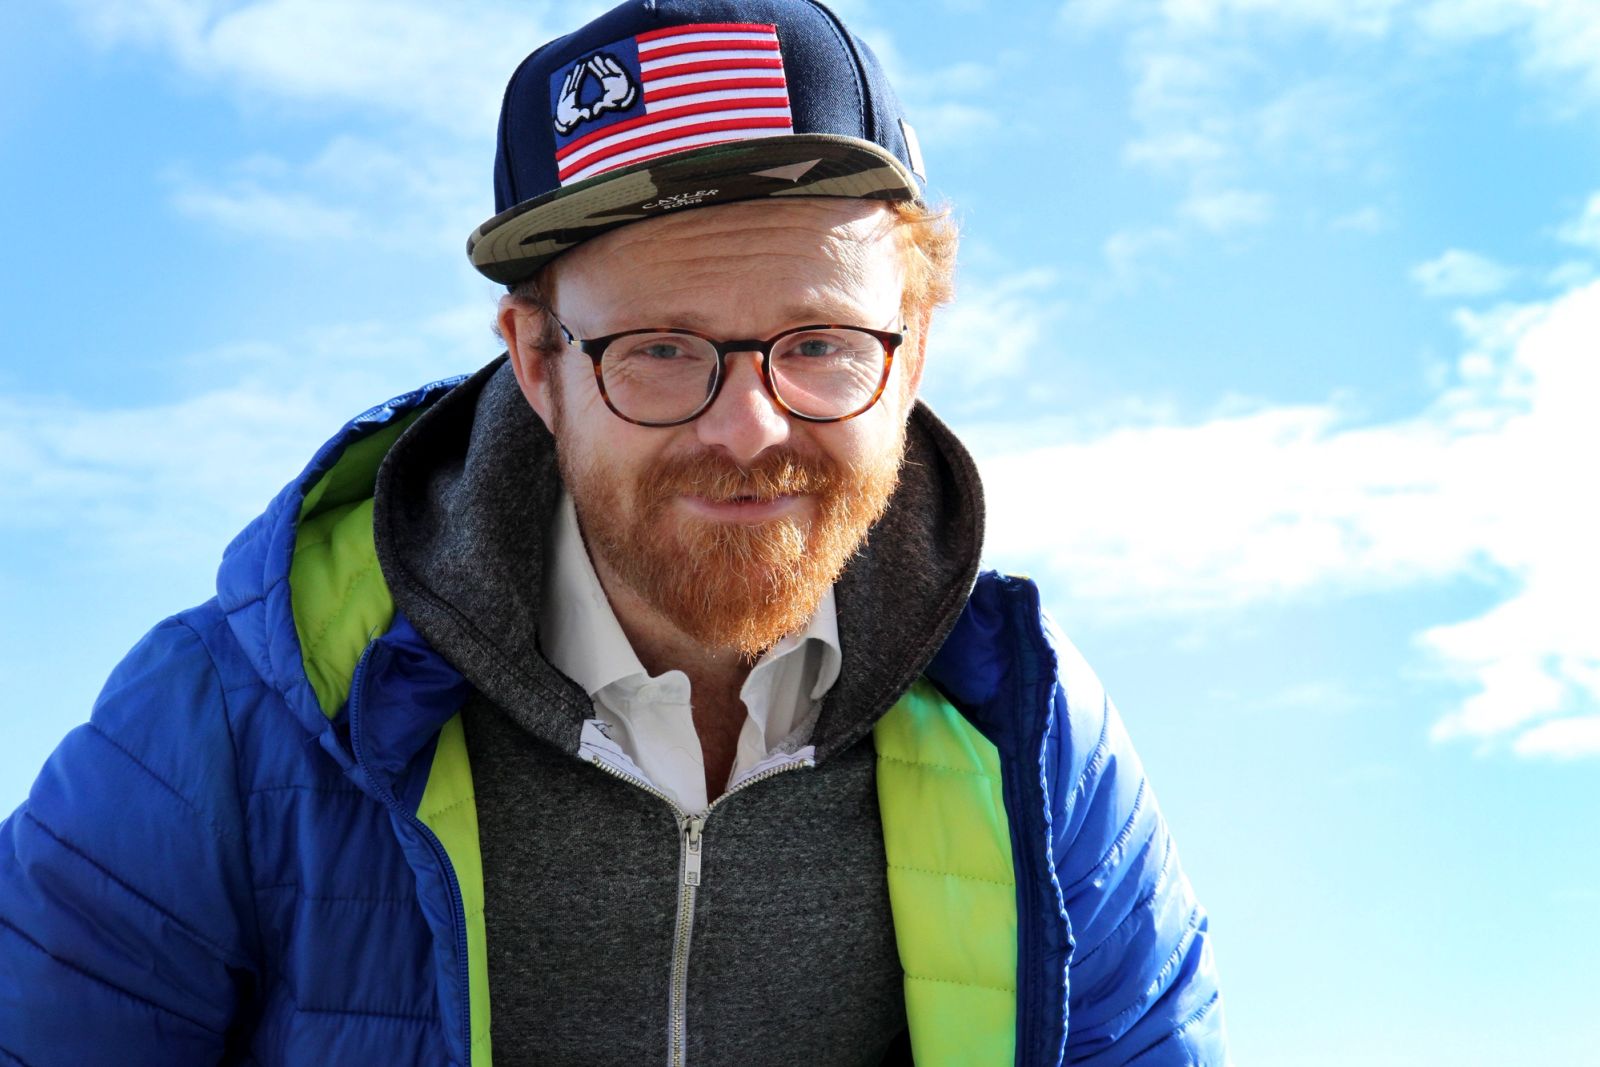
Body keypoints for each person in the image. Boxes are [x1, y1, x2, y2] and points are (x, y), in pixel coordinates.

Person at [0, 0, 1227, 1063]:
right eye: (661, 349)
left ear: (910, 359)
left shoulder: (1034, 736)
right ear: (537, 362)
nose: (748, 426)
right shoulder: (230, 717)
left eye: (819, 344)